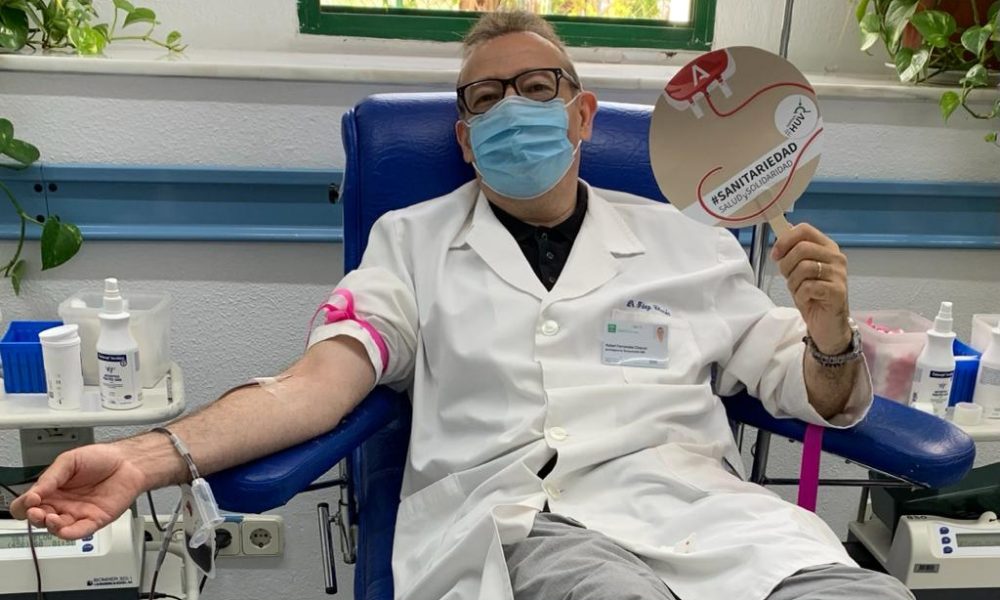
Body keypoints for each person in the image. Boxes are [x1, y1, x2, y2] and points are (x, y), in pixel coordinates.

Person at [13, 11, 913, 600]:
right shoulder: (411, 242)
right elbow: (313, 388)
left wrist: (831, 336)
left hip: (706, 515)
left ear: (583, 115)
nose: (513, 107)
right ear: (466, 137)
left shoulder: (690, 242)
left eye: (538, 88)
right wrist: (144, 457)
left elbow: (815, 388)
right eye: (487, 97)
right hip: (525, 521)